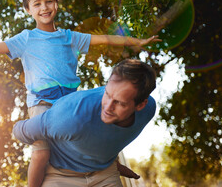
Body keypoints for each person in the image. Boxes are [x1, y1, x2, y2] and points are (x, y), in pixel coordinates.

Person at [0, 0, 160, 187]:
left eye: (48, 1)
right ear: (28, 9)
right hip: (42, 102)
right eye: (37, 3)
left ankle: (110, 165)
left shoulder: (70, 37)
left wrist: (137, 42)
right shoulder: (26, 39)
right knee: (41, 154)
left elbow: (107, 39)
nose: (44, 8)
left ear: (56, 4)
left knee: (94, 134)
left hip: (69, 102)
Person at [13, 59, 157, 186]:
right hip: (61, 173)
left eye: (119, 103)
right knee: (40, 152)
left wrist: (115, 165)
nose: (108, 107)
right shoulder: (71, 115)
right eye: (107, 94)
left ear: (140, 105)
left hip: (104, 173)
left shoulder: (148, 110)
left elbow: (103, 137)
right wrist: (41, 141)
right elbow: (19, 130)